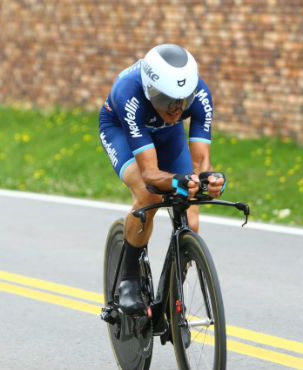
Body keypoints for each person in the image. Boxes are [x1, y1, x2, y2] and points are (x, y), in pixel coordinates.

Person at [99, 44, 225, 315]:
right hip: (121, 129)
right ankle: (129, 280)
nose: (176, 108)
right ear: (151, 90)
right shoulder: (129, 94)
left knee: (191, 218)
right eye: (168, 99)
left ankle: (172, 299)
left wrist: (209, 181)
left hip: (168, 134)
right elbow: (151, 174)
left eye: (183, 100)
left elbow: (201, 164)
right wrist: (180, 181)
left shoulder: (200, 94)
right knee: (150, 195)